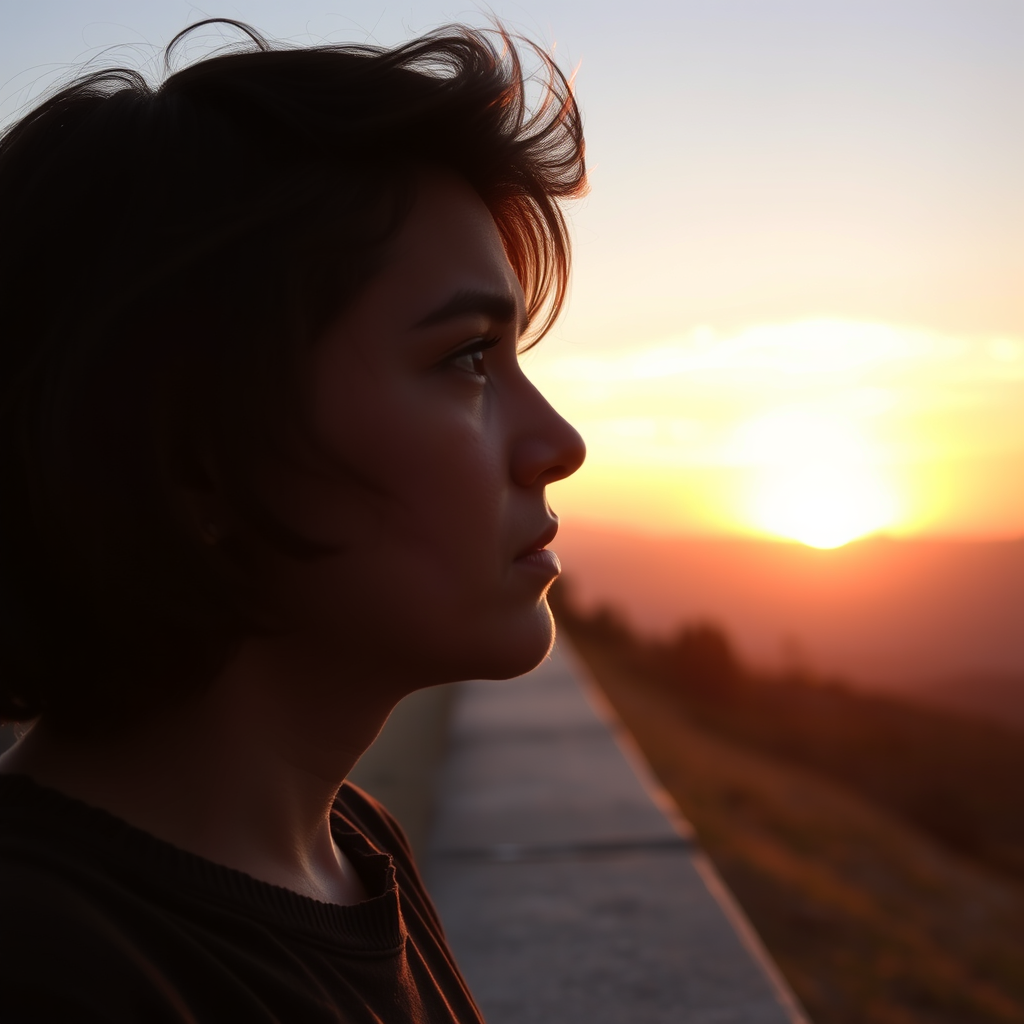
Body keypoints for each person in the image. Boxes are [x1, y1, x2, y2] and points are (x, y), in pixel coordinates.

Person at [0, 18, 586, 1022]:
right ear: (197, 461)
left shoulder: (352, 849)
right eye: (466, 359)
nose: (558, 442)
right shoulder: (50, 972)